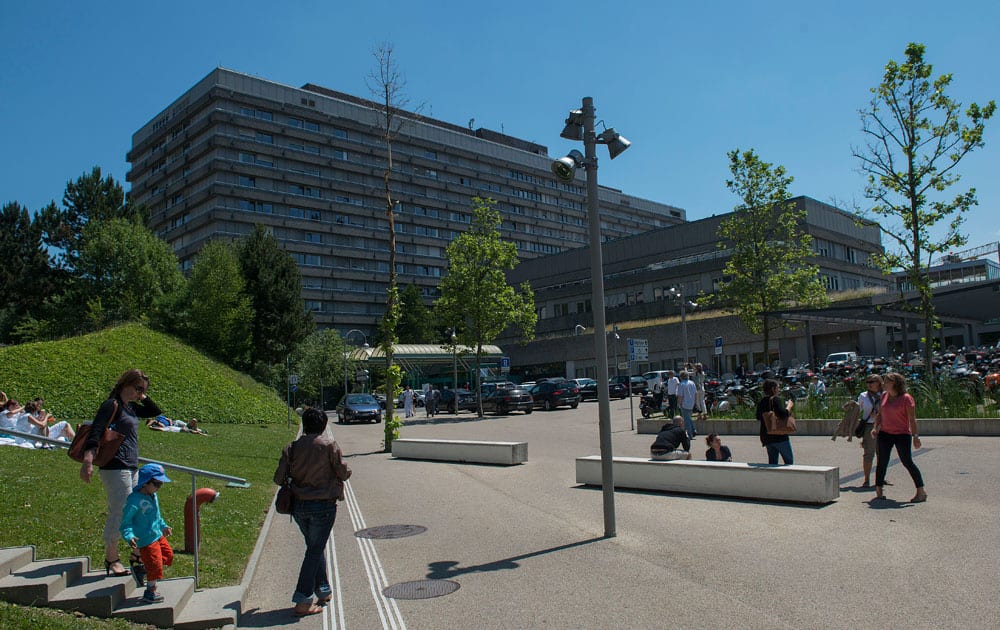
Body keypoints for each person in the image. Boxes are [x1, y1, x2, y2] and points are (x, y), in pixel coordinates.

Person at [79, 369, 162, 578]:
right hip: (115, 465)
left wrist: (143, 394)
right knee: (121, 511)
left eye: (143, 390)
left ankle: (135, 553)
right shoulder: (112, 405)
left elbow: (154, 410)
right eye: (138, 388)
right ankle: (111, 557)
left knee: (134, 510)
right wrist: (88, 459)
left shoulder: (131, 407)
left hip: (131, 466)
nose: (140, 393)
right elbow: (96, 430)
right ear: (127, 384)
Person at [274, 407, 352, 617]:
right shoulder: (328, 446)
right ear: (323, 424)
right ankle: (302, 599)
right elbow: (343, 473)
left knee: (314, 547)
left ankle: (324, 590)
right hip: (323, 505)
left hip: (299, 506)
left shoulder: (291, 448)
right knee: (314, 551)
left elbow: (278, 478)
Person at [120, 463, 174, 603]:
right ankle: (150, 592)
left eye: (160, 484)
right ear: (145, 482)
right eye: (156, 483)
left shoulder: (152, 496)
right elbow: (125, 523)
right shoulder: (134, 501)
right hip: (145, 539)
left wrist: (164, 526)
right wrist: (129, 536)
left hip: (157, 535)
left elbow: (157, 515)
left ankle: (144, 569)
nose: (158, 487)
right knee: (156, 566)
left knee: (168, 555)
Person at [872, 373, 927, 503]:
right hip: (885, 433)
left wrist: (915, 436)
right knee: (882, 462)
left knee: (907, 461)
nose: (883, 383)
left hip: (902, 434)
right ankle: (879, 490)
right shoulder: (884, 396)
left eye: (887, 381)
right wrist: (875, 427)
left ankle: (921, 491)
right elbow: (880, 414)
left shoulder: (906, 398)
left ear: (895, 383)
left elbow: (912, 419)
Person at [757, 378, 794, 465]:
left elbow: (758, 417)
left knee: (772, 463)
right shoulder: (775, 399)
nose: (778, 390)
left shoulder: (761, 401)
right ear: (773, 389)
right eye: (777, 388)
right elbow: (782, 414)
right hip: (779, 436)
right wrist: (789, 406)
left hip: (767, 436)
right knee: (789, 463)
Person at [856, 375, 883, 487]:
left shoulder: (885, 395)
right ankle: (866, 479)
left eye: (872, 381)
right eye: (867, 382)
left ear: (879, 382)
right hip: (869, 426)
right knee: (869, 453)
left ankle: (881, 478)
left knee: (882, 454)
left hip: (883, 426)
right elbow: (858, 410)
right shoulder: (863, 396)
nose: (869, 384)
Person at [677, 371, 698, 438]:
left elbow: (680, 396)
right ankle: (693, 430)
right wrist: (695, 402)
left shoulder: (681, 384)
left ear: (681, 377)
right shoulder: (692, 383)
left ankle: (689, 434)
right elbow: (695, 393)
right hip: (691, 403)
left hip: (685, 403)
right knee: (688, 418)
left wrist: (679, 404)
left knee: (686, 420)